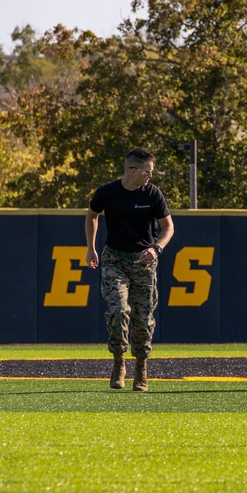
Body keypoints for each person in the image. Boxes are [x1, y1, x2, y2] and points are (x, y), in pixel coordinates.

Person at [85, 147, 174, 392]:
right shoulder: (107, 192)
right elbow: (92, 215)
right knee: (118, 310)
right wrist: (91, 248)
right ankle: (118, 362)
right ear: (133, 171)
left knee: (144, 321)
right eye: (147, 172)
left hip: (144, 263)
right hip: (114, 260)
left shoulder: (153, 194)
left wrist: (157, 249)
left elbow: (168, 228)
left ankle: (141, 367)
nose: (150, 176)